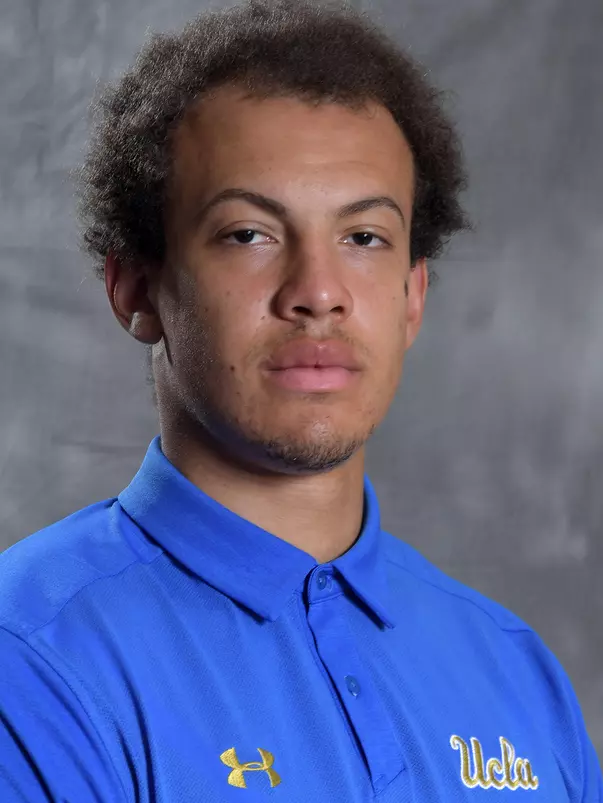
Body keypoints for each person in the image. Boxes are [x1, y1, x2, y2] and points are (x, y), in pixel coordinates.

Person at [0, 0, 600, 800]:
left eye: (363, 238)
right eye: (248, 233)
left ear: (412, 296)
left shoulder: (515, 668)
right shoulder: (29, 662)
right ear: (136, 287)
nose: (318, 293)